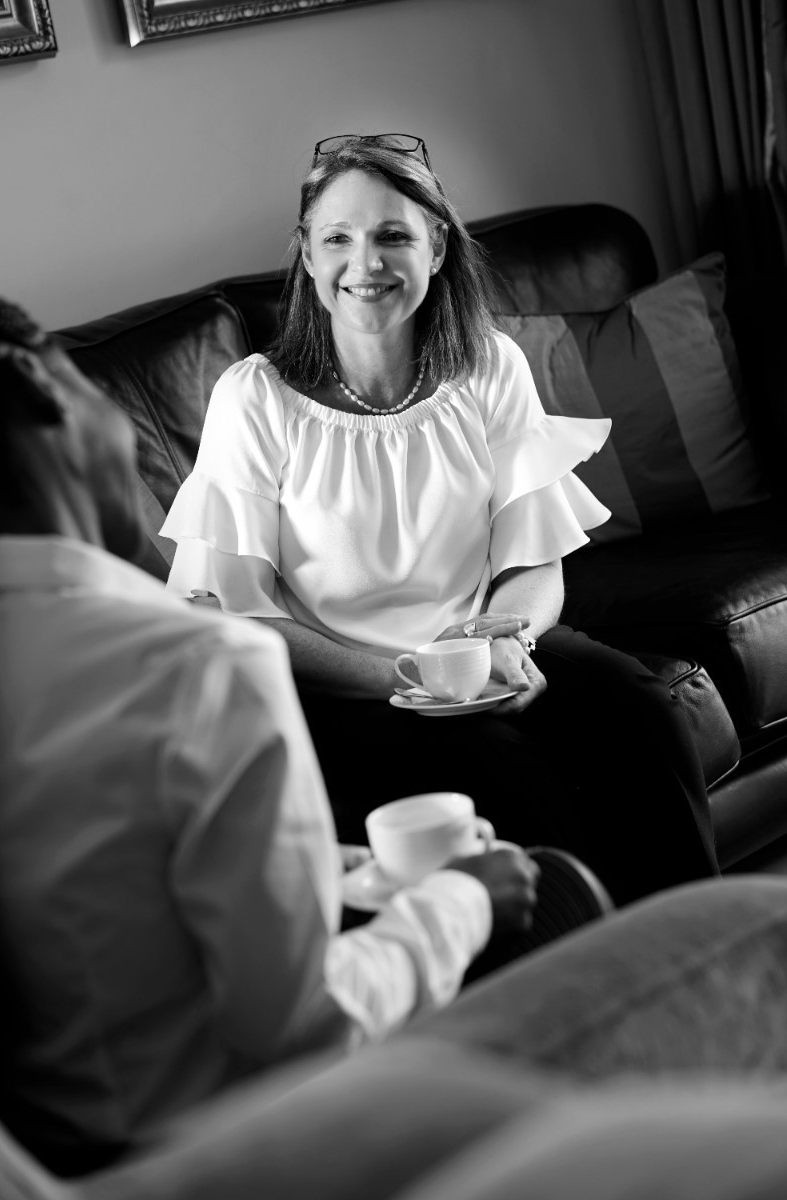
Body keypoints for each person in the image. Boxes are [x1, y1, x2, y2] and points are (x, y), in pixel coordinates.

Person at [0, 290, 540, 1175]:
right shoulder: (200, 666)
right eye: (97, 395)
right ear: (43, 388)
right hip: (230, 1152)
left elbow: (93, 882)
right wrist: (463, 902)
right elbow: (304, 1030)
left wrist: (328, 864)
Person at [162, 132, 719, 904]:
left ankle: (702, 942)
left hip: (480, 654)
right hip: (348, 683)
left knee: (643, 712)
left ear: (437, 248)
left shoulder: (489, 365)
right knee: (513, 776)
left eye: (393, 235)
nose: (366, 264)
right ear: (307, 256)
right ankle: (590, 963)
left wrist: (507, 642)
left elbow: (533, 564)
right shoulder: (254, 399)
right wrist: (415, 678)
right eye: (338, 239)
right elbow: (240, 614)